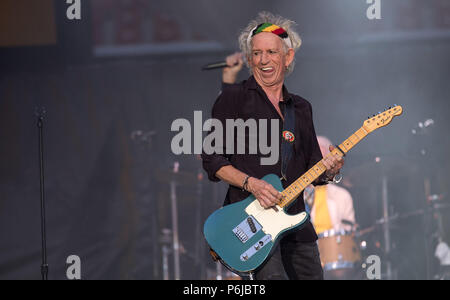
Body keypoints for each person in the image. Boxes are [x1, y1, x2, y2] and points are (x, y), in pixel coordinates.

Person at [201, 12, 344, 280]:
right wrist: (251, 183)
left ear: (287, 57)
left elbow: (314, 167)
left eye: (271, 52)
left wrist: (332, 169)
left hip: (296, 224)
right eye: (256, 53)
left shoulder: (301, 108)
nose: (263, 60)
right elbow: (212, 159)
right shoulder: (232, 98)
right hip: (252, 222)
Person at [304, 136, 356, 235]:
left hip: (333, 248)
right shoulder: (295, 193)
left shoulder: (343, 196)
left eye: (322, 159)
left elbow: (349, 235)